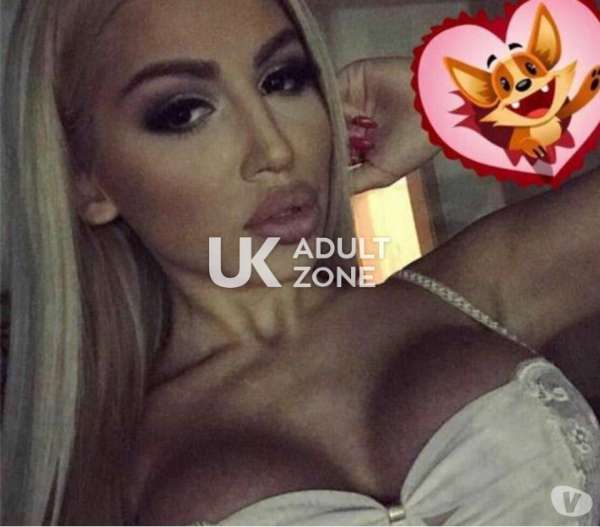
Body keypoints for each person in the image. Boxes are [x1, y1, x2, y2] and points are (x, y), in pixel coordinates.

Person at [1, 0, 598, 525]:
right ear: (87, 183)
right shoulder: (100, 478)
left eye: (282, 80)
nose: (275, 148)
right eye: (183, 112)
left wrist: (458, 99)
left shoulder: (479, 289)